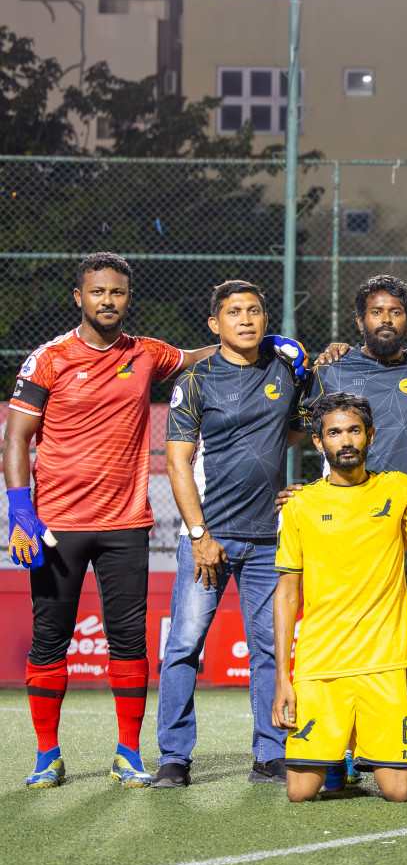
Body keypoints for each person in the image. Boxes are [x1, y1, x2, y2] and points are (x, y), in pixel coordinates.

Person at [5, 253, 263, 789]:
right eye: (97, 292)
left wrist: (260, 343)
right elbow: (16, 438)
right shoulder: (48, 358)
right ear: (79, 297)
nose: (107, 300)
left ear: (127, 299)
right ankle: (47, 755)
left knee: (128, 642)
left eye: (117, 292)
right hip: (57, 525)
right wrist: (21, 510)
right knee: (49, 639)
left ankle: (127, 753)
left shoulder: (146, 354)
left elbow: (197, 355)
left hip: (126, 524)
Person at [154, 280, 307, 788]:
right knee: (184, 646)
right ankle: (175, 758)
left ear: (267, 320)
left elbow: (307, 429)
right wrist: (199, 534)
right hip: (209, 539)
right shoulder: (195, 381)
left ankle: (270, 754)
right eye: (234, 312)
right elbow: (177, 463)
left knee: (269, 648)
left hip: (270, 541)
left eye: (256, 311)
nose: (246, 319)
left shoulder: (286, 371)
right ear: (214, 325)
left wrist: (305, 488)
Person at [303, 275, 407, 760]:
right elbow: (293, 432)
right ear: (359, 319)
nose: (385, 320)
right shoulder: (329, 371)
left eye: (395, 312)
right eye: (376, 312)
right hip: (346, 527)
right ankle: (341, 751)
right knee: (345, 636)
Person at [271, 393, 407, 803]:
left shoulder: (401, 490)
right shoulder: (300, 505)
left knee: (399, 793)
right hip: (323, 661)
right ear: (319, 443)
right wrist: (283, 676)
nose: (346, 440)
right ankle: (339, 755)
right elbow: (286, 593)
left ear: (370, 436)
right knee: (299, 794)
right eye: (334, 432)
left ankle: (348, 754)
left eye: (354, 430)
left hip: (383, 661)